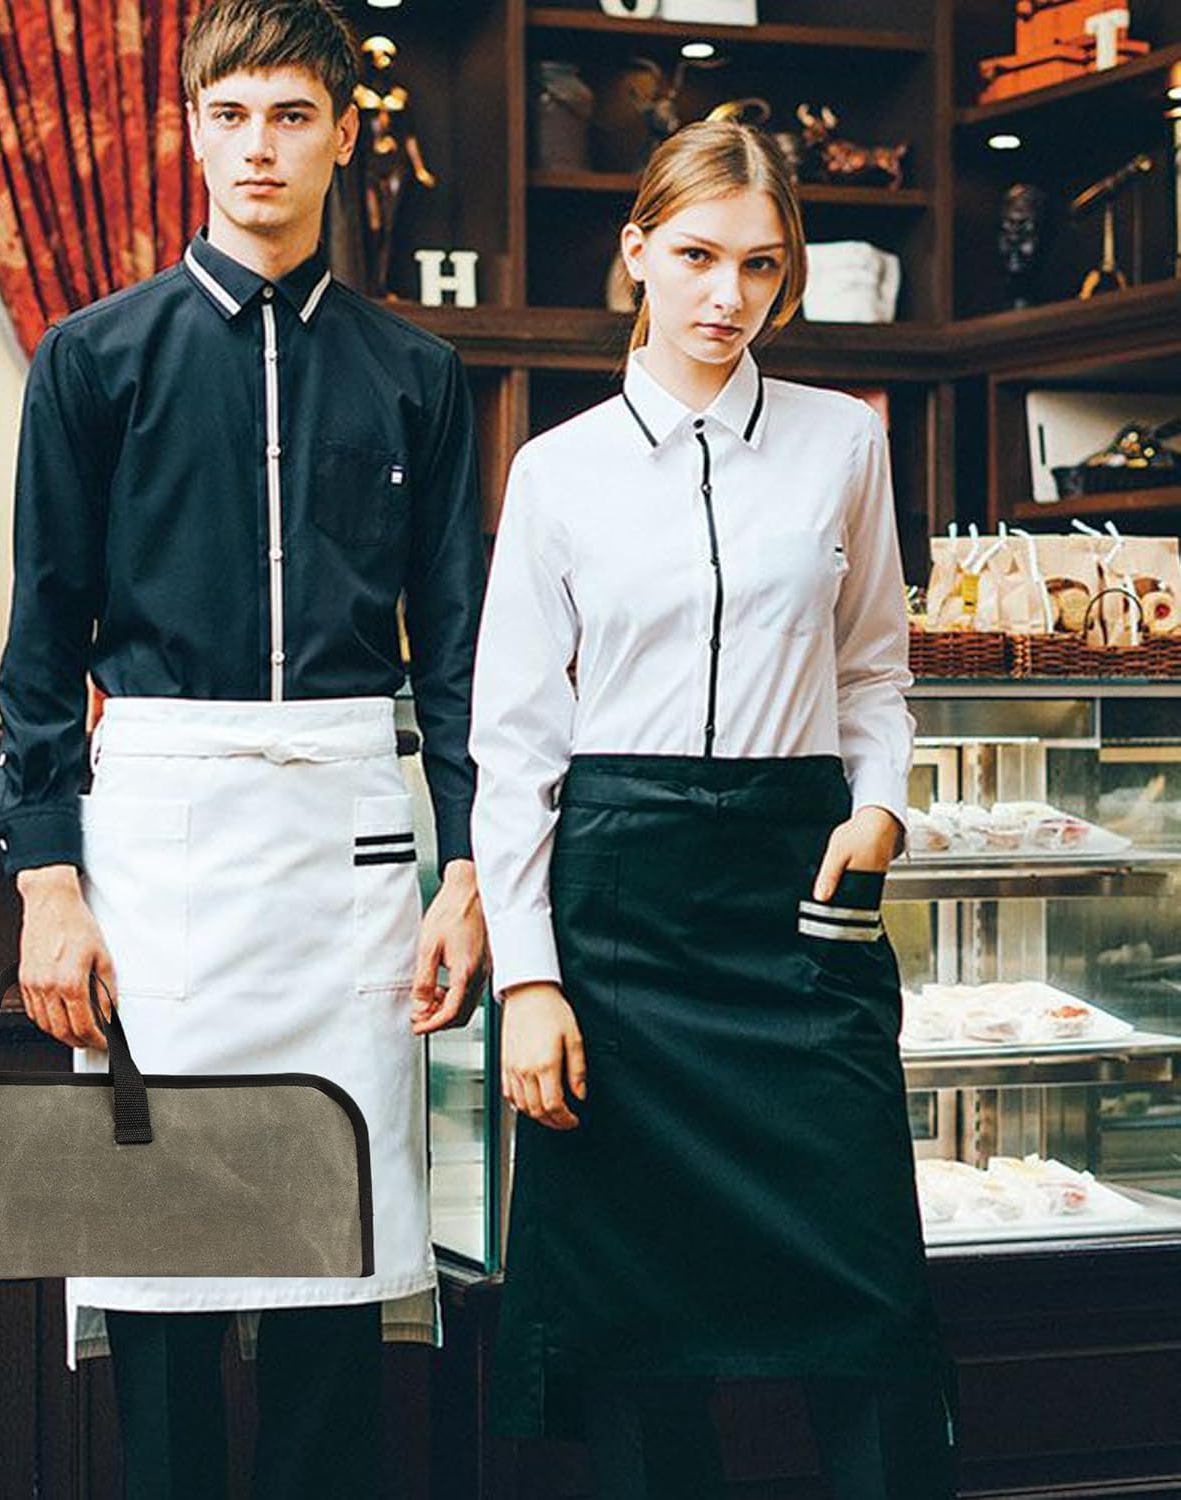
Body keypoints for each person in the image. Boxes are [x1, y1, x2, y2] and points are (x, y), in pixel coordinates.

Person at [0, 2, 488, 1496]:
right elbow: (41, 643)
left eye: (291, 115)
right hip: (157, 859)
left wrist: (468, 873)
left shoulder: (420, 375)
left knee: (332, 1271)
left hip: (352, 855)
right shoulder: (91, 359)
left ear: (344, 133)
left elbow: (461, 657)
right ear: (192, 131)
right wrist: (48, 882)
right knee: (164, 1277)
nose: (259, 146)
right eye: (231, 115)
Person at [468, 119, 959, 1500]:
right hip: (620, 912)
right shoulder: (556, 470)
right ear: (636, 253)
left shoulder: (842, 444)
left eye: (760, 265)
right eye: (695, 256)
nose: (727, 294)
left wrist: (881, 810)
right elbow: (516, 746)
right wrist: (530, 980)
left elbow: (875, 672)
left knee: (869, 1294)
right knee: (636, 1326)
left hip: (802, 898)